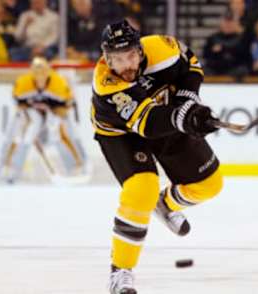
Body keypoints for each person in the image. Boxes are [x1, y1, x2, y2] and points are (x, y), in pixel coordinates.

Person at [91, 20, 224, 294]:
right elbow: (148, 124)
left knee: (210, 185)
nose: (126, 65)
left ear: (140, 51)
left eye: (130, 55)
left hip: (165, 117)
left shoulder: (162, 48)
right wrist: (185, 117)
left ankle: (165, 205)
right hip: (121, 133)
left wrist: (189, 100)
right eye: (117, 59)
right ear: (107, 59)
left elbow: (190, 64)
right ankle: (120, 272)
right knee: (142, 189)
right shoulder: (107, 84)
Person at [0, 57, 88, 183]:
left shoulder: (58, 84)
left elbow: (67, 105)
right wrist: (29, 116)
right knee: (19, 134)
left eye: (43, 75)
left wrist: (54, 114)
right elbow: (19, 103)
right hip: (32, 112)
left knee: (61, 135)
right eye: (37, 75)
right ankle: (7, 167)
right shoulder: (24, 83)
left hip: (54, 111)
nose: (40, 79)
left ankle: (77, 166)